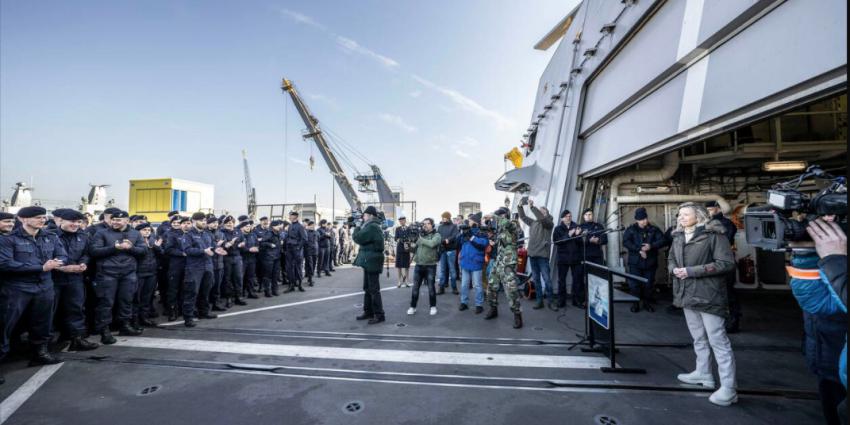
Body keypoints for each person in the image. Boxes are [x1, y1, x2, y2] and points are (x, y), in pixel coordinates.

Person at [668, 202, 737, 406]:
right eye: (679, 214)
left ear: (698, 216)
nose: (680, 218)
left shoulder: (714, 235)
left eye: (685, 214)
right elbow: (671, 258)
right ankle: (704, 374)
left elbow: (726, 263)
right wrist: (673, 270)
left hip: (709, 295)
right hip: (687, 293)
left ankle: (729, 388)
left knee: (718, 341)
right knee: (698, 337)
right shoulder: (678, 236)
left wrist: (691, 271)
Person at [789, 218, 847, 425]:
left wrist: (834, 259)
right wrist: (805, 255)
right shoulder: (835, 251)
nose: (829, 222)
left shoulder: (836, 256)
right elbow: (818, 303)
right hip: (828, 349)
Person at [0, 207, 67, 380]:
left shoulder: (50, 237)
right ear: (23, 219)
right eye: (38, 217)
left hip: (44, 286)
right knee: (5, 325)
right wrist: (41, 267)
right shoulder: (8, 239)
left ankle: (40, 353)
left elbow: (62, 255)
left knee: (42, 322)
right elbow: (6, 264)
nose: (42, 220)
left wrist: (57, 262)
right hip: (17, 288)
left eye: (44, 217)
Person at [88, 210, 146, 344]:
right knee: (106, 303)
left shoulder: (135, 233)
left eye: (118, 220)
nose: (115, 222)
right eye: (113, 220)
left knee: (126, 301)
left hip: (128, 273)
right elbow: (94, 251)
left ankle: (124, 325)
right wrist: (115, 247)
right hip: (107, 273)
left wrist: (130, 248)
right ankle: (104, 331)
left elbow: (143, 251)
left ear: (126, 221)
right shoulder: (101, 233)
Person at [50, 209, 99, 351]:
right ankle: (46, 344)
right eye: (72, 221)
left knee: (76, 309)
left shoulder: (83, 236)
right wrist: (62, 268)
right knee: (49, 312)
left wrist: (83, 264)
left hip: (75, 278)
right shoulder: (50, 235)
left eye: (78, 222)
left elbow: (86, 253)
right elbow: (44, 255)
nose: (76, 224)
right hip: (54, 279)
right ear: (61, 221)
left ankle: (77, 339)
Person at [485, 207, 523, 329]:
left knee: (511, 289)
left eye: (499, 216)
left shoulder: (512, 223)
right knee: (491, 285)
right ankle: (493, 308)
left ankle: (517, 315)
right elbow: (501, 241)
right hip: (499, 260)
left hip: (508, 262)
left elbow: (508, 226)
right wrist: (493, 241)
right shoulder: (500, 228)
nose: (496, 219)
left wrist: (492, 216)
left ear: (504, 215)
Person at [706, 200, 741, 333]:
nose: (708, 212)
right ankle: (720, 320)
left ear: (717, 209)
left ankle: (733, 321)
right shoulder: (708, 224)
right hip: (713, 262)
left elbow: (723, 241)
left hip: (724, 262)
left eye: (710, 210)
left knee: (727, 292)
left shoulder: (727, 224)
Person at [622, 207, 665, 312]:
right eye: (641, 219)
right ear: (636, 220)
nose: (644, 221)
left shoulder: (654, 229)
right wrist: (639, 249)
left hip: (650, 262)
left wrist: (651, 246)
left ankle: (647, 303)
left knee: (649, 284)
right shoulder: (631, 229)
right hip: (635, 262)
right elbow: (626, 242)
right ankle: (635, 304)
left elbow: (663, 240)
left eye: (645, 218)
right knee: (634, 284)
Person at [181, 212, 218, 327]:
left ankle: (204, 312)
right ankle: (188, 317)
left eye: (205, 220)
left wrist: (217, 250)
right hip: (194, 268)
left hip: (208, 265)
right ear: (194, 221)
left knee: (205, 291)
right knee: (192, 292)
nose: (204, 222)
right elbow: (187, 250)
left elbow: (213, 247)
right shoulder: (188, 235)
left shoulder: (207, 234)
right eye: (201, 220)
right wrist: (203, 251)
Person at [518, 198, 555, 310]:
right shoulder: (534, 223)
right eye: (540, 211)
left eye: (543, 211)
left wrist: (532, 207)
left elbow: (542, 218)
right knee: (536, 279)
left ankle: (550, 302)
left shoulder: (549, 223)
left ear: (547, 214)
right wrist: (520, 206)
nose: (541, 212)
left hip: (543, 256)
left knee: (547, 280)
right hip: (533, 255)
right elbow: (523, 217)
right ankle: (539, 301)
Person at [353, 206, 386, 324]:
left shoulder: (371, 226)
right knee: (368, 288)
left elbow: (358, 237)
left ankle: (379, 314)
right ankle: (368, 312)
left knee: (373, 289)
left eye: (365, 215)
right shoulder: (372, 226)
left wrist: (356, 227)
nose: (363, 217)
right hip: (370, 260)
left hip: (371, 260)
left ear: (371, 215)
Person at [407, 218, 441, 316]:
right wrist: (409, 246)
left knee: (431, 288)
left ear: (432, 225)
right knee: (415, 288)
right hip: (419, 265)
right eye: (424, 224)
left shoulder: (436, 235)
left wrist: (419, 239)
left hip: (430, 266)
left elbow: (432, 244)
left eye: (427, 223)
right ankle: (412, 307)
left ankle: (433, 307)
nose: (425, 225)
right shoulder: (420, 236)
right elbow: (414, 249)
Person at [457, 214, 489, 314]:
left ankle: (479, 304)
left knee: (477, 285)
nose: (468, 222)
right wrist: (461, 233)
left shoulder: (481, 232)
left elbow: (484, 243)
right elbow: (458, 242)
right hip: (465, 262)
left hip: (476, 262)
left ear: (476, 222)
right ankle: (464, 302)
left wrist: (471, 237)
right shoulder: (466, 231)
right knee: (464, 285)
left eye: (470, 221)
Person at [575, 208, 607, 308]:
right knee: (583, 280)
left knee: (597, 279)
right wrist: (589, 240)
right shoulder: (580, 227)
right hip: (584, 256)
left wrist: (598, 241)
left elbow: (605, 239)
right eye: (587, 215)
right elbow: (577, 241)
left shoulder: (599, 226)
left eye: (590, 214)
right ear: (584, 216)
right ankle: (583, 300)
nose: (589, 216)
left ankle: (596, 301)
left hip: (597, 257)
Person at [133, 222, 161, 328]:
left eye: (149, 230)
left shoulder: (152, 240)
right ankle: (134, 320)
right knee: (136, 298)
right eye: (144, 230)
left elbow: (161, 253)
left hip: (151, 272)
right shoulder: (135, 241)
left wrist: (155, 247)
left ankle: (144, 318)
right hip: (139, 272)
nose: (147, 232)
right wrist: (146, 247)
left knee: (147, 297)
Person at [552, 210, 581, 310]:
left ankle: (576, 300)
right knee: (561, 280)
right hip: (563, 258)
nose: (569, 218)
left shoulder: (576, 226)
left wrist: (578, 235)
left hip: (575, 258)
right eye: (566, 216)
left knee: (577, 280)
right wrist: (568, 235)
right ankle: (561, 301)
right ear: (562, 218)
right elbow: (556, 241)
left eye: (570, 216)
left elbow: (580, 242)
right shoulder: (558, 229)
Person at [164, 216, 191, 320]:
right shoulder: (173, 235)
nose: (186, 225)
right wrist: (181, 253)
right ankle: (172, 311)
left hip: (189, 265)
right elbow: (168, 249)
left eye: (188, 223)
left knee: (186, 289)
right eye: (183, 223)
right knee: (173, 289)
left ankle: (183, 310)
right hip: (176, 265)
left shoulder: (192, 235)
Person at [220, 216, 247, 307]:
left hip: (237, 257)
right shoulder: (221, 233)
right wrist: (230, 244)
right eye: (227, 222)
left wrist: (243, 244)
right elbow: (221, 245)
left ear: (233, 223)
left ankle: (238, 297)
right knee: (227, 279)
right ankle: (229, 298)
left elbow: (243, 240)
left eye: (231, 222)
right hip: (226, 257)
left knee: (238, 278)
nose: (229, 224)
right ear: (224, 224)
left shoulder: (238, 231)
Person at [207, 217, 228, 311]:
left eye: (216, 222)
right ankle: (205, 305)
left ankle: (216, 303)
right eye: (213, 223)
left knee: (217, 285)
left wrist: (225, 245)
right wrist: (216, 245)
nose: (215, 224)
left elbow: (225, 245)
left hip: (219, 263)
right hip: (208, 263)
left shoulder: (221, 233)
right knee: (207, 286)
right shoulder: (205, 233)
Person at [437, 212, 459, 295]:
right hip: (443, 250)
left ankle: (454, 287)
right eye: (442, 218)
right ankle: (441, 288)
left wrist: (448, 240)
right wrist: (443, 240)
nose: (443, 219)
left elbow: (455, 235)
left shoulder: (454, 226)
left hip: (451, 250)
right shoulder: (440, 227)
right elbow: (438, 236)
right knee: (442, 270)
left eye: (445, 217)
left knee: (452, 270)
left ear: (448, 218)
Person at [259, 220, 283, 297]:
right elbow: (262, 243)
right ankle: (267, 291)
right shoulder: (269, 233)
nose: (280, 226)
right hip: (269, 257)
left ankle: (274, 290)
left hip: (277, 257)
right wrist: (270, 244)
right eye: (278, 225)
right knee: (268, 275)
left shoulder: (277, 233)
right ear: (273, 226)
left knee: (275, 275)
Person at [284, 211, 307, 292]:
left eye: (291, 216)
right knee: (289, 268)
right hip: (290, 249)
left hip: (296, 250)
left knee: (298, 268)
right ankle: (291, 285)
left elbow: (304, 239)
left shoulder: (300, 226)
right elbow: (288, 237)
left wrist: (298, 248)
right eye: (290, 216)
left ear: (295, 217)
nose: (289, 217)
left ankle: (300, 285)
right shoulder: (290, 226)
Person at [239, 221, 260, 299]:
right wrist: (248, 250)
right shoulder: (240, 236)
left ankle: (251, 292)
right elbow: (239, 247)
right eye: (246, 226)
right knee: (241, 277)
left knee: (250, 276)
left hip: (252, 258)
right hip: (242, 259)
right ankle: (241, 293)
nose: (248, 227)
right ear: (242, 228)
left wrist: (257, 248)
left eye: (249, 226)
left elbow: (257, 244)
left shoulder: (253, 235)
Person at [394, 216, 412, 288]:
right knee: (399, 266)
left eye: (402, 220)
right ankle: (399, 281)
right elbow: (396, 238)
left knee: (406, 266)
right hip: (400, 249)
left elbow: (411, 237)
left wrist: (408, 241)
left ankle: (407, 281)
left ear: (405, 221)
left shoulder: (409, 229)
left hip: (407, 249)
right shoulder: (397, 229)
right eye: (400, 221)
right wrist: (399, 240)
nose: (401, 222)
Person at [304, 221, 319, 286]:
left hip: (315, 251)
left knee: (314, 264)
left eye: (313, 225)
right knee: (310, 265)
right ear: (308, 226)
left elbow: (317, 240)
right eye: (311, 225)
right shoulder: (305, 232)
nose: (313, 226)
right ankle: (310, 279)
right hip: (308, 251)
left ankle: (310, 277)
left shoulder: (316, 232)